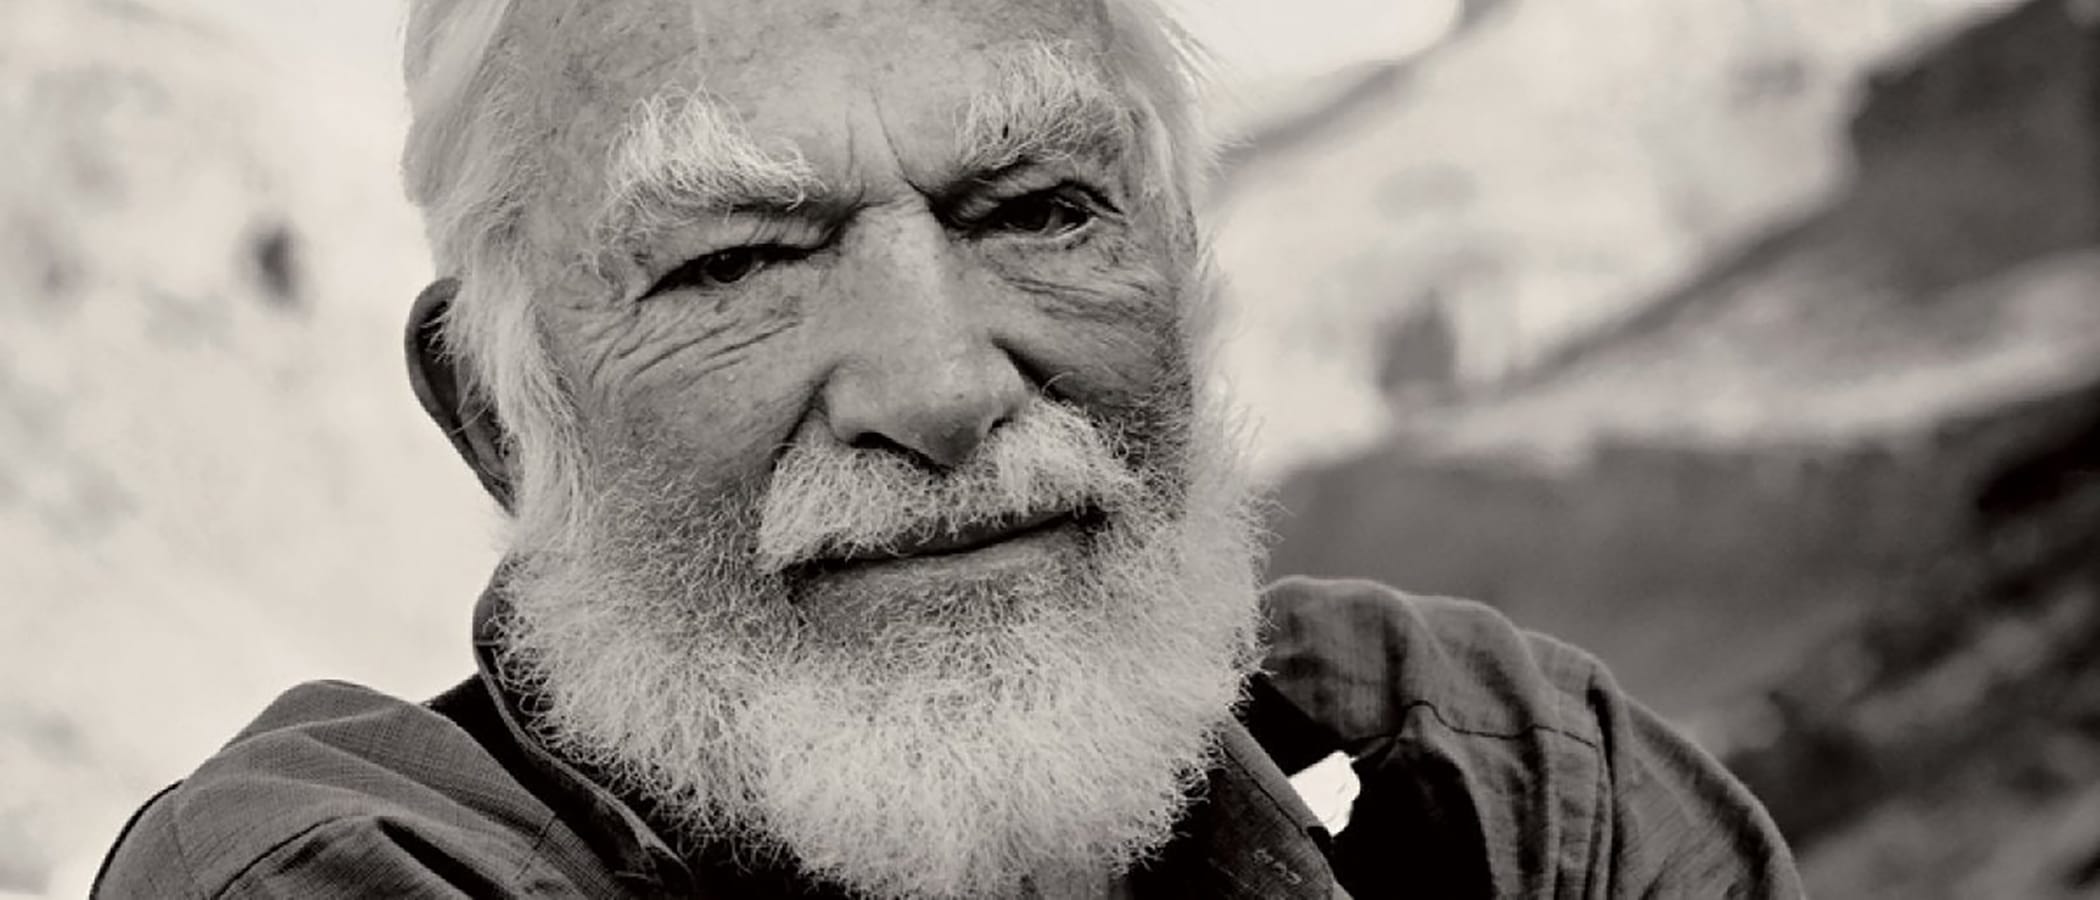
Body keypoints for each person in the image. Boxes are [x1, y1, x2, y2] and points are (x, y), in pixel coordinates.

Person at [95, 1, 1802, 897]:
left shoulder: (1499, 785)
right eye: (737, 260)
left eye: (1040, 208)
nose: (939, 387)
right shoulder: (347, 878)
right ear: (494, 418)